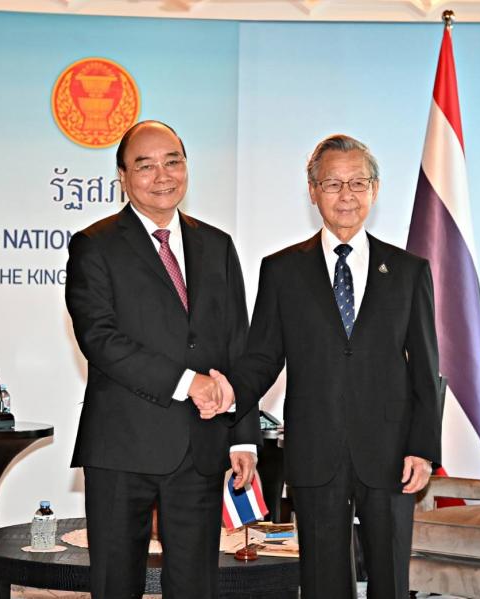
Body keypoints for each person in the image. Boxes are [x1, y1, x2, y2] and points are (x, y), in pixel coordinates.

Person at [226, 134, 442, 599]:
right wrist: (231, 408)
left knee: (390, 579)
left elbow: (426, 368)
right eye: (332, 184)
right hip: (314, 449)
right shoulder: (281, 270)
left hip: (391, 451)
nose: (346, 195)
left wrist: (423, 449)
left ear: (375, 189)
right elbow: (260, 360)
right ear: (313, 191)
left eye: (357, 183)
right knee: (322, 582)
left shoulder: (408, 271)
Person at [65, 120, 260, 599]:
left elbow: (238, 344)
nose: (162, 175)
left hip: (201, 446)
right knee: (115, 584)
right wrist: (187, 382)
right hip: (122, 446)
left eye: (173, 161)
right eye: (145, 165)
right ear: (123, 177)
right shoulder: (94, 245)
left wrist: (243, 437)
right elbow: (100, 339)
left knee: (195, 585)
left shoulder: (218, 245)